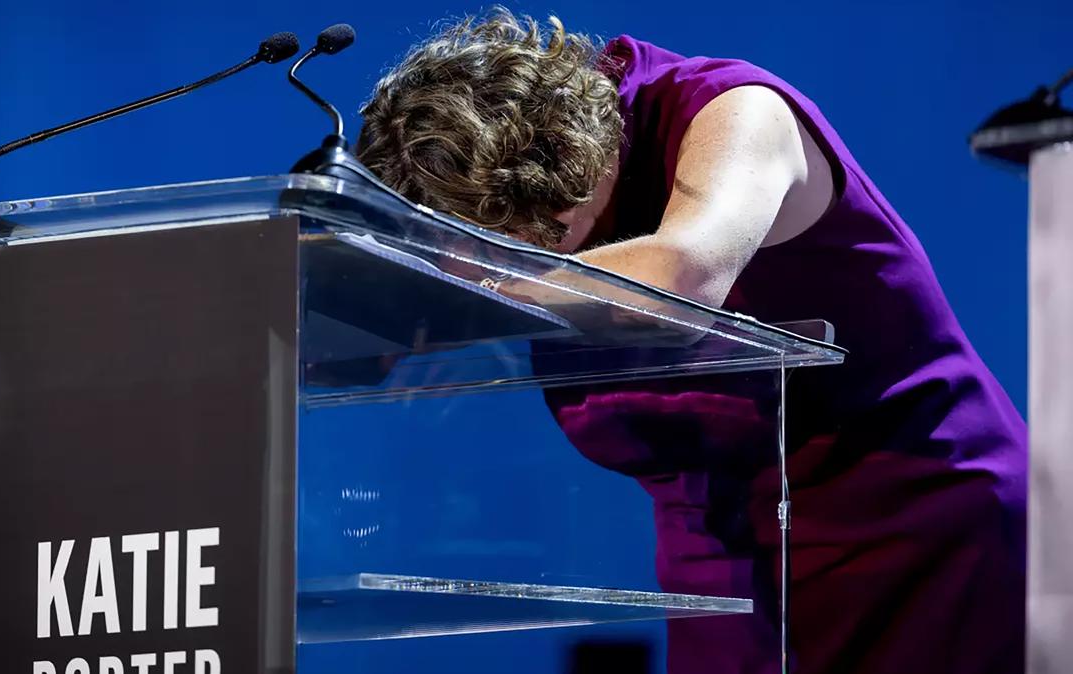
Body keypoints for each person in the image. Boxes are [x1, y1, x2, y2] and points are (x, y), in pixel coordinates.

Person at [356, 9, 1026, 674]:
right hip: (718, 566)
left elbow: (683, 273)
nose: (495, 267)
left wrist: (465, 299)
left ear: (572, 167)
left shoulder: (737, 111)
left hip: (915, 528)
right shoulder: (522, 235)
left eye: (518, 245)